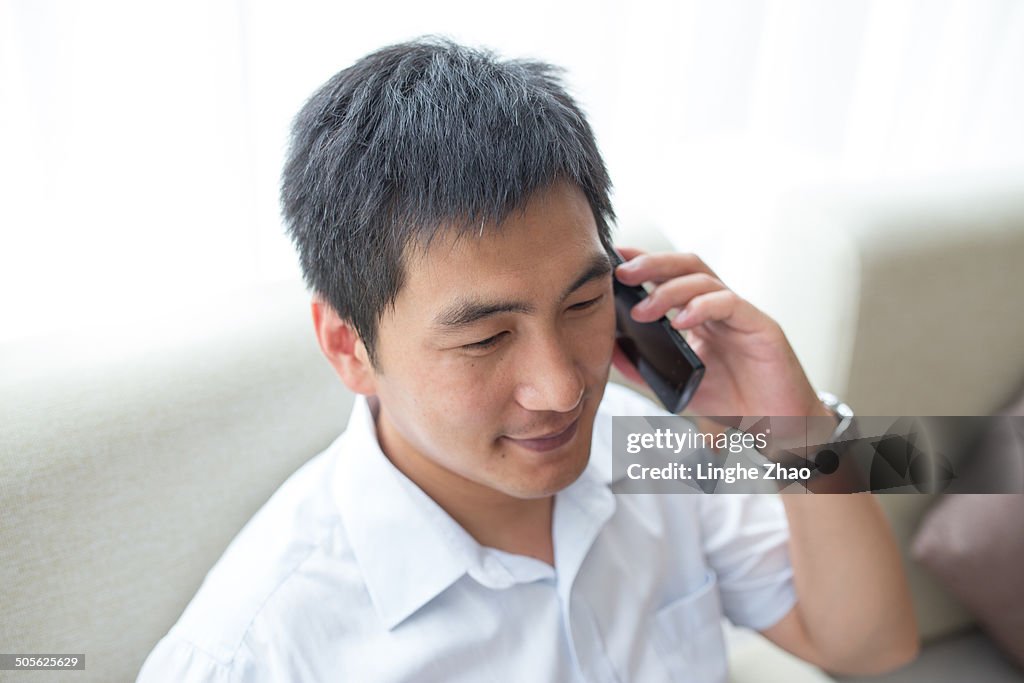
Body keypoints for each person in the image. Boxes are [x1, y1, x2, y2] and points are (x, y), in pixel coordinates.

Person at [137, 36, 918, 682]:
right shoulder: (255, 651)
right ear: (349, 345)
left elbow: (869, 646)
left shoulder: (645, 445)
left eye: (582, 305)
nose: (563, 387)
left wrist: (794, 432)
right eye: (485, 338)